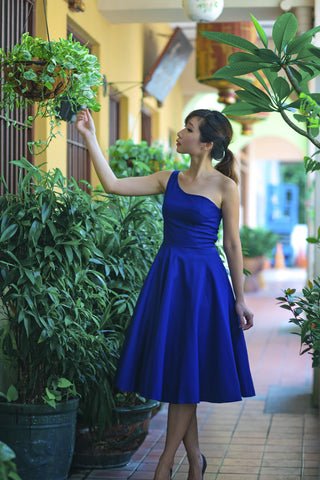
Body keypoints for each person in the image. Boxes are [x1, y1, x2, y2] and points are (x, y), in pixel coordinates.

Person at [76, 108, 255, 480]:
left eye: (188, 130)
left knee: (185, 371)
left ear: (206, 144)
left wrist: (239, 298)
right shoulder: (167, 179)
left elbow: (234, 246)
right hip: (169, 278)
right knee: (179, 370)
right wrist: (90, 136)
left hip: (204, 284)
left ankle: (164, 463)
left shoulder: (226, 187)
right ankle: (194, 461)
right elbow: (112, 185)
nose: (179, 133)